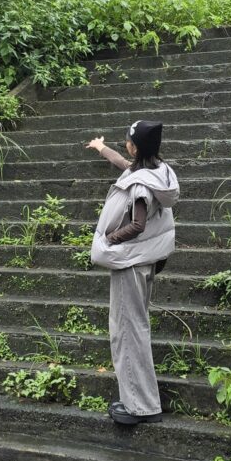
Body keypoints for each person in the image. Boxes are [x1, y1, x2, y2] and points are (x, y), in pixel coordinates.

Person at [85, 120, 180, 426]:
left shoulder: (140, 186)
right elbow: (124, 165)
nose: (125, 143)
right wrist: (101, 148)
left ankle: (139, 407)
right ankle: (142, 399)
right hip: (144, 263)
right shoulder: (157, 172)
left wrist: (106, 241)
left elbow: (137, 224)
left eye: (127, 139)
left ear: (136, 146)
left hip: (130, 265)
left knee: (126, 332)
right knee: (135, 329)